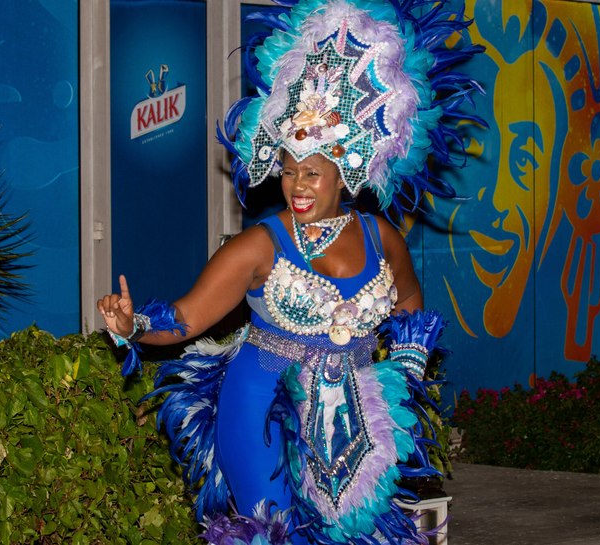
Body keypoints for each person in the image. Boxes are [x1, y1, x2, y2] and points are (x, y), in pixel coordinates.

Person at [95, 1, 482, 544]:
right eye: (289, 171)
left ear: (346, 175)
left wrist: (403, 379)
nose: (298, 185)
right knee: (273, 533)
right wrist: (132, 327)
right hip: (261, 403)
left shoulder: (382, 237)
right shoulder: (259, 246)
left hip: (357, 411)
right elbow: (186, 319)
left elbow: (409, 304)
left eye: (313, 174)